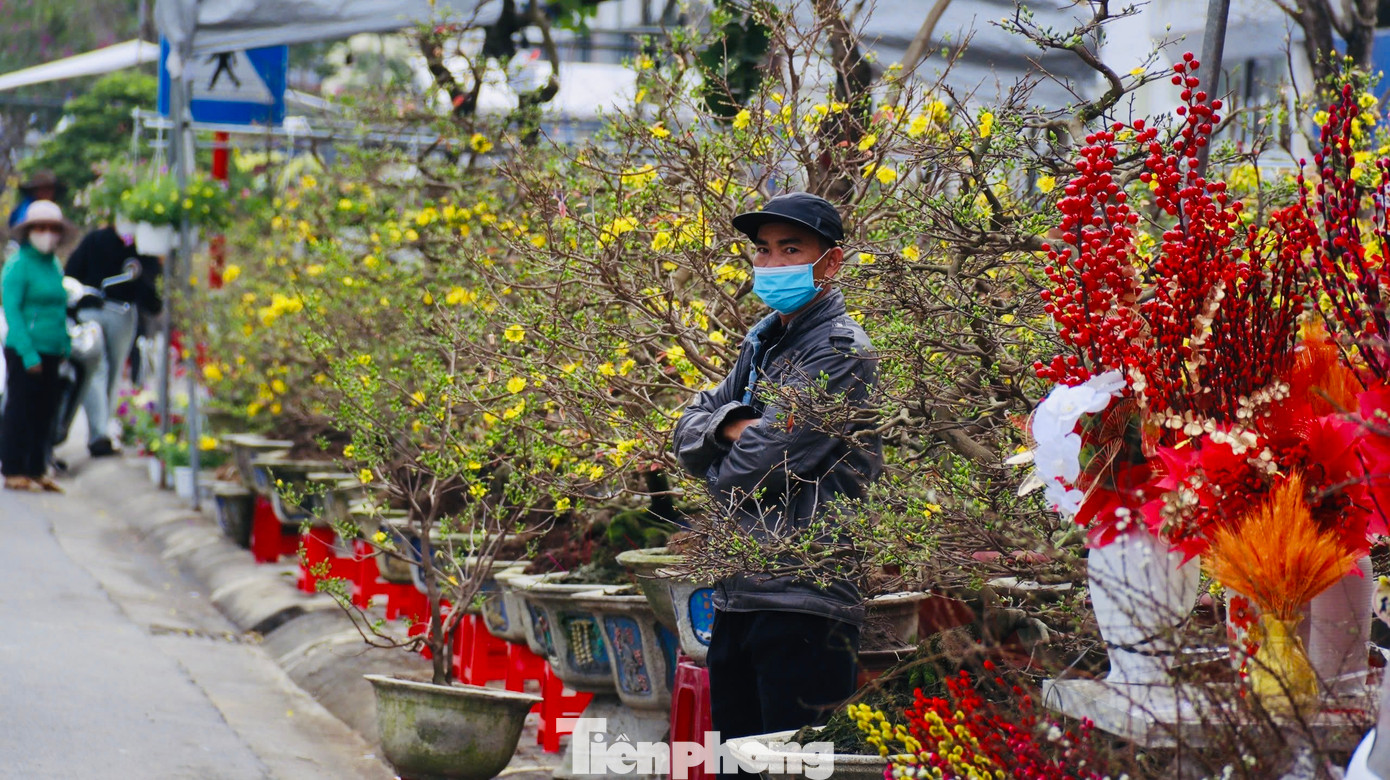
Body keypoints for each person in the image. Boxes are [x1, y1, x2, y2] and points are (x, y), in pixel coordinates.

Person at [671, 192, 882, 774]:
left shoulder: (840, 354)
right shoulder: (763, 343)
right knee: (736, 766)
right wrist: (731, 425)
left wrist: (726, 440)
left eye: (791, 250)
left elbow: (748, 471)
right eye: (762, 251)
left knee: (791, 768)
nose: (772, 264)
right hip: (741, 589)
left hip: (805, 599)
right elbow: (683, 430)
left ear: (830, 263)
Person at [65, 221, 163, 456]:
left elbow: (151, 294)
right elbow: (71, 275)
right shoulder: (97, 239)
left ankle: (102, 430)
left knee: (111, 370)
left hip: (121, 313)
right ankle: (99, 433)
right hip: (94, 310)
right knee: (97, 367)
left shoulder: (142, 245)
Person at [1, 200, 73, 492]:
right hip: (24, 347)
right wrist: (28, 352)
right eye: (40, 228)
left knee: (46, 409)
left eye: (52, 229)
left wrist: (64, 342)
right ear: (29, 231)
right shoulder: (18, 266)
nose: (47, 234)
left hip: (52, 347)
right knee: (21, 407)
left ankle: (36, 467)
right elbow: (12, 311)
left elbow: (59, 307)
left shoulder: (54, 265)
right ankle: (13, 467)